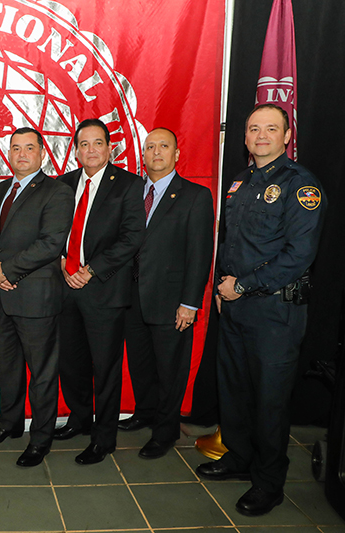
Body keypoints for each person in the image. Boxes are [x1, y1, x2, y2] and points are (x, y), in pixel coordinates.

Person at [196, 104, 325, 516]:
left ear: (287, 136)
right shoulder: (240, 181)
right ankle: (238, 458)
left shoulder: (301, 185)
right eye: (254, 129)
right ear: (246, 137)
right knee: (233, 390)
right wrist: (222, 285)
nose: (262, 135)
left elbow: (299, 254)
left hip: (274, 313)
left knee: (269, 401)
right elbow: (229, 240)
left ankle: (268, 483)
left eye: (272, 128)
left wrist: (244, 285)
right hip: (234, 306)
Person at [0, 127, 74, 467]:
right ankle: (10, 424)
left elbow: (51, 243)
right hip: (1, 296)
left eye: (29, 148)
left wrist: (7, 271)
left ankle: (41, 438)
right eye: (15, 148)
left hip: (34, 297)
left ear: (42, 153)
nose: (21, 154)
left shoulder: (57, 192)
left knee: (42, 373)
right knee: (8, 367)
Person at [55, 119, 145, 465]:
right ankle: (79, 418)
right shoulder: (63, 184)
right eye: (83, 144)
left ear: (110, 148)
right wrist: (65, 263)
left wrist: (90, 270)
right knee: (71, 362)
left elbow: (132, 237)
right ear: (75, 150)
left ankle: (104, 438)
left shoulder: (127, 184)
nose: (90, 150)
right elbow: (55, 231)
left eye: (97, 143)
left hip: (104, 290)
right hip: (66, 287)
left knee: (105, 368)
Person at [122, 128, 214, 459]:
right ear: (142, 155)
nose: (156, 152)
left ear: (176, 154)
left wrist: (189, 303)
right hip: (131, 298)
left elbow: (200, 254)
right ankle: (144, 413)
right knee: (141, 365)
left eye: (164, 146)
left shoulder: (194, 195)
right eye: (149, 147)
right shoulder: (132, 193)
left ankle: (165, 431)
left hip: (172, 301)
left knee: (170, 369)